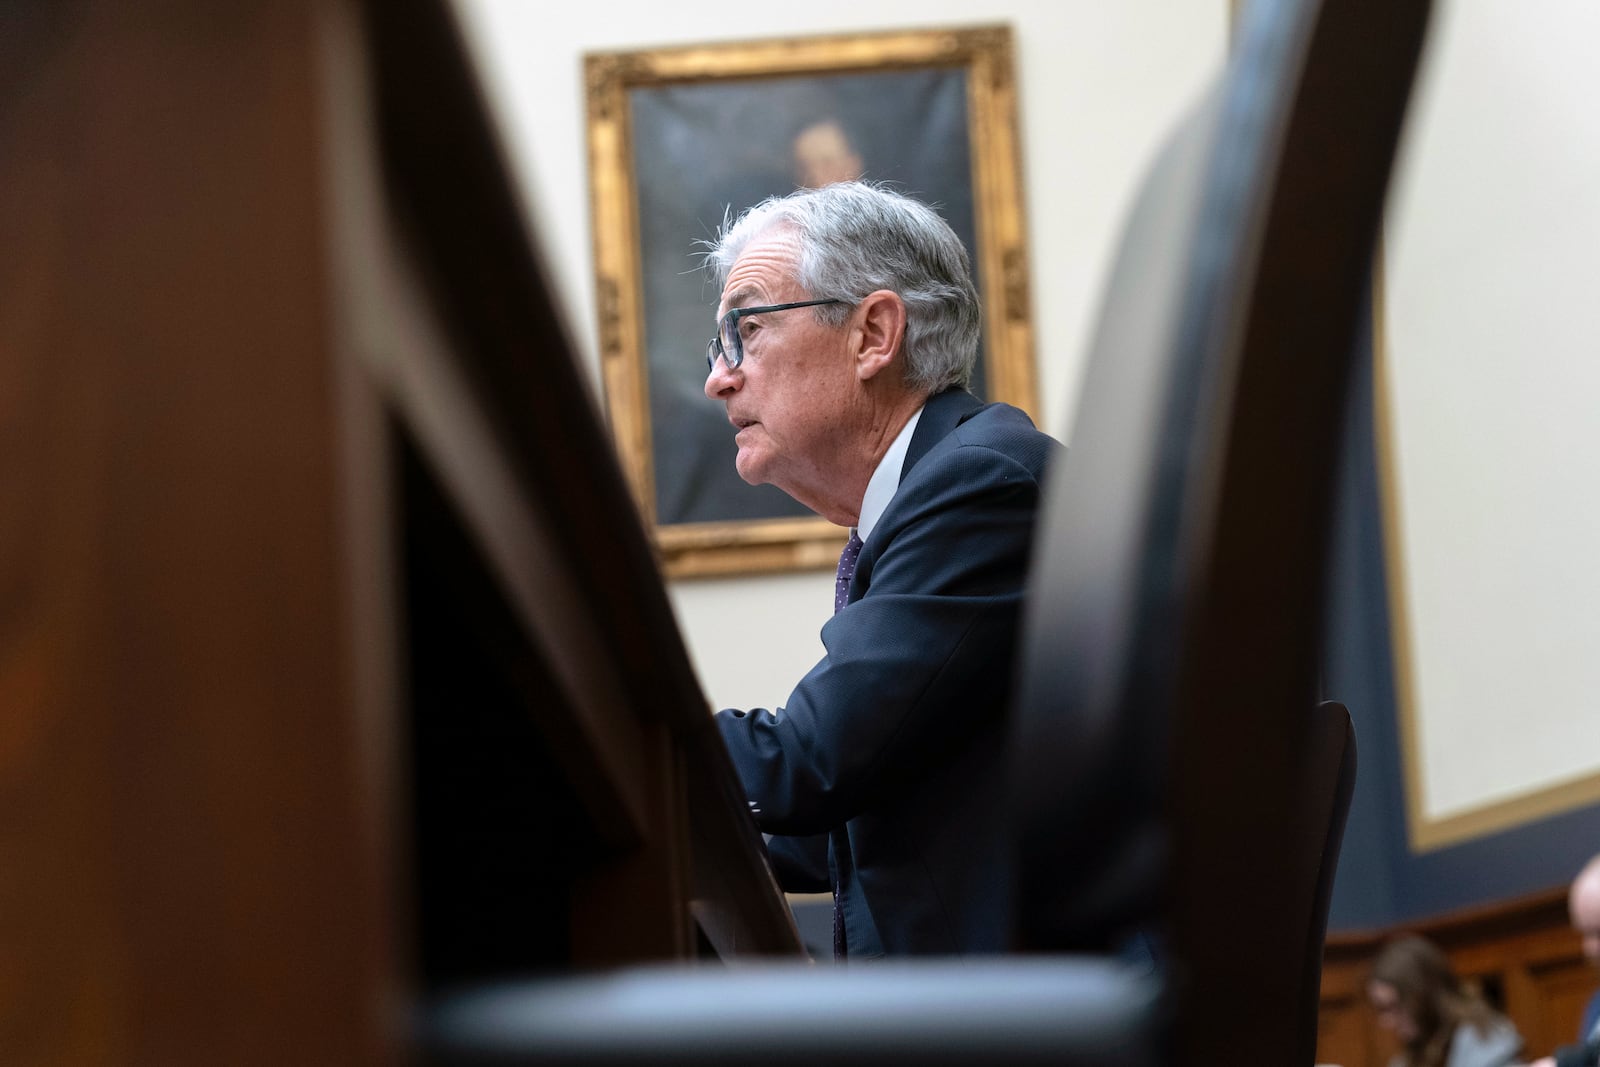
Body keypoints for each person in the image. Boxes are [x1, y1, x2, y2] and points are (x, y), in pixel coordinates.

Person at [700, 181, 1061, 958]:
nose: (719, 377)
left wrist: (632, 746)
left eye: (746, 330)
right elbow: (837, 819)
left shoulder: (983, 483)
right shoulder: (941, 486)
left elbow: (811, 762)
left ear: (873, 333)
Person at [1366, 934, 1525, 1067]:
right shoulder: (1406, 1060)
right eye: (1380, 1009)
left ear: (1422, 996)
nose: (1385, 1021)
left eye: (1392, 1006)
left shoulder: (1486, 1041)